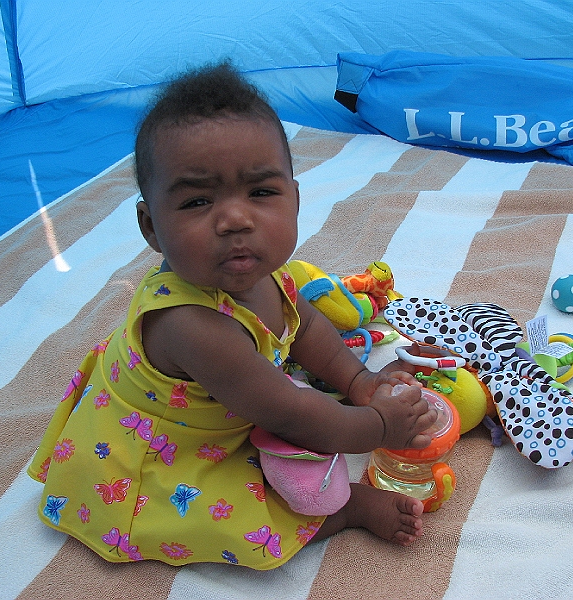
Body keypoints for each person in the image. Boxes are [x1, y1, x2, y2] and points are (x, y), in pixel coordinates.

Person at [27, 61, 437, 570]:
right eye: (198, 200)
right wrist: (377, 427)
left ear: (294, 200)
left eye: (262, 193)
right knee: (232, 518)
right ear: (151, 226)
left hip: (245, 397)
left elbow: (305, 326)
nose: (235, 219)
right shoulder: (190, 326)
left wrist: (358, 382)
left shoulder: (260, 271)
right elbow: (288, 411)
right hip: (169, 446)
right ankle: (342, 511)